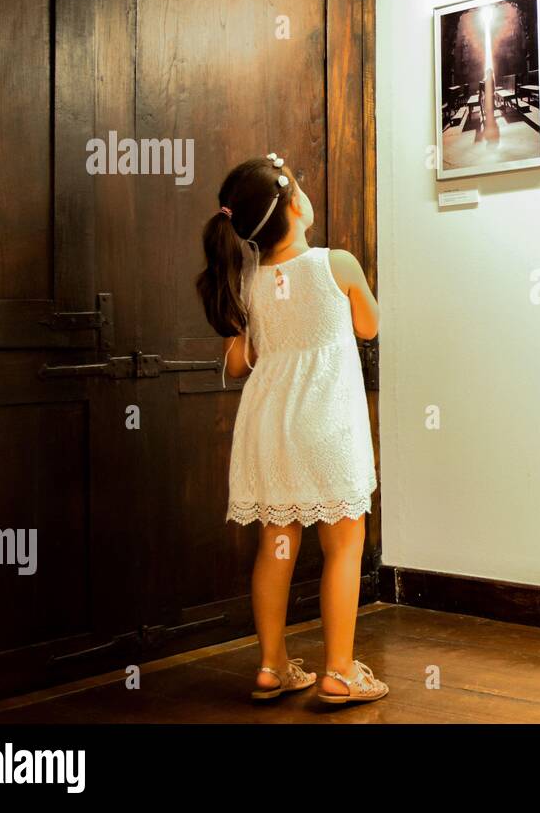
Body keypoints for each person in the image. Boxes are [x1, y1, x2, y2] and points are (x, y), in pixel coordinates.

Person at [195, 153, 387, 705]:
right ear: (294, 206)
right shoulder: (338, 264)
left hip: (268, 428)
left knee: (277, 544)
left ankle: (272, 667)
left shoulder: (247, 281)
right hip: (326, 423)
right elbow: (370, 327)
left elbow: (236, 364)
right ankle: (339, 672)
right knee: (344, 545)